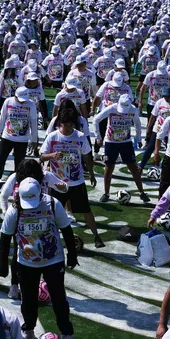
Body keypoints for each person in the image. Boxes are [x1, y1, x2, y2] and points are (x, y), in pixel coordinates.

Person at [0, 177, 78, 339]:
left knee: (58, 297)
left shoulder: (53, 204)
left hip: (53, 259)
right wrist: (3, 263)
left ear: (40, 193)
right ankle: (28, 331)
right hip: (26, 262)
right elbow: (5, 237)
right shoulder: (15, 209)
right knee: (28, 299)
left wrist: (72, 254)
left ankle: (66, 333)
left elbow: (66, 229)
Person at [40, 106, 105, 248]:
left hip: (77, 182)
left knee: (86, 210)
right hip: (57, 183)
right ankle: (49, 239)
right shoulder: (52, 137)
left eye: (71, 125)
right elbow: (42, 156)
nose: (69, 128)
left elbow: (87, 156)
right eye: (66, 125)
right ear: (60, 123)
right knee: (52, 212)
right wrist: (52, 155)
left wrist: (92, 174)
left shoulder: (80, 137)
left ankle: (96, 236)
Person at [89, 93, 150, 203]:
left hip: (126, 142)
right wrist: (98, 137)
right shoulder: (111, 108)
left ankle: (142, 192)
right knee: (108, 167)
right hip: (111, 142)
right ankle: (106, 193)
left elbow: (137, 123)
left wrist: (138, 138)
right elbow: (96, 120)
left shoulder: (133, 110)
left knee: (133, 167)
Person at [0, 86, 40, 190]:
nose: (22, 102)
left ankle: (17, 185)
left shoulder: (31, 104)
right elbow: (2, 118)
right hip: (7, 137)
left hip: (22, 139)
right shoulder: (8, 102)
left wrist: (34, 140)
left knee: (19, 164)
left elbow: (33, 122)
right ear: (15, 96)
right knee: (1, 160)